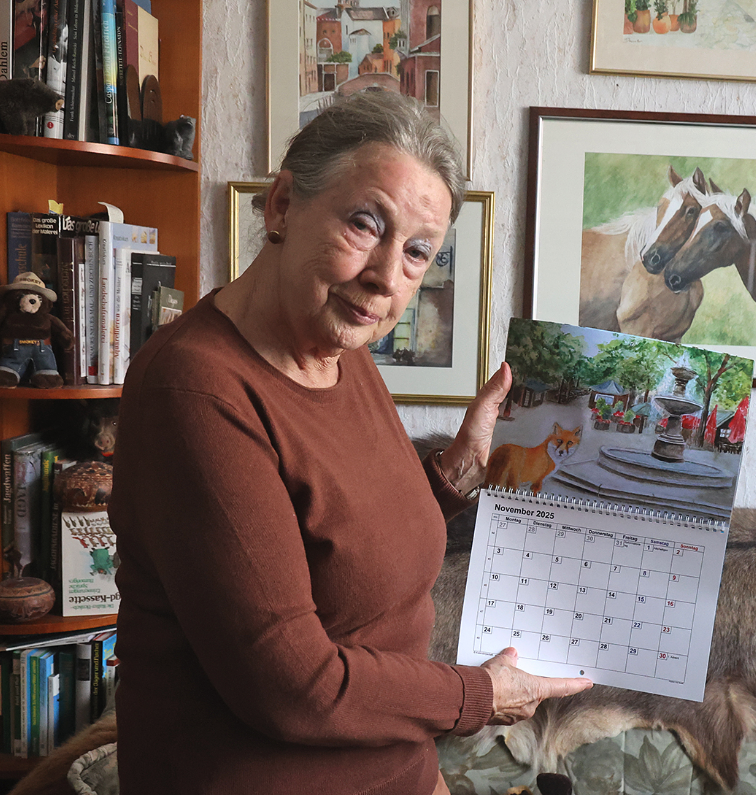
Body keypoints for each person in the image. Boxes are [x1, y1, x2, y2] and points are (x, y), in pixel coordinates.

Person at [108, 90, 592, 795]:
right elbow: (292, 684)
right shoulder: (197, 389)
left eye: (418, 252)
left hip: (394, 770)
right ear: (280, 208)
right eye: (365, 224)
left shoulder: (343, 350)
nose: (386, 279)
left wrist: (456, 470)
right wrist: (477, 696)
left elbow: (337, 539)